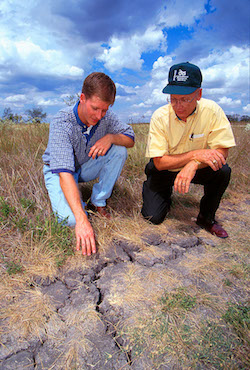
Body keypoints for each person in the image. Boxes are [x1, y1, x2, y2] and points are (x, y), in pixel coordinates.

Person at [43, 72, 135, 256]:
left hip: (85, 166)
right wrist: (82, 219)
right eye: (95, 108)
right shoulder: (62, 122)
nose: (100, 115)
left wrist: (111, 137)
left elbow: (130, 139)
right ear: (82, 98)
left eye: (105, 110)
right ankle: (80, 209)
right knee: (70, 220)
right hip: (59, 171)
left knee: (119, 150)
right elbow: (65, 174)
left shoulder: (106, 117)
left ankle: (98, 201)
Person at [141, 62, 236, 238]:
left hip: (196, 169)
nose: (179, 105)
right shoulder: (160, 116)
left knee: (222, 170)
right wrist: (195, 154)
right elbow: (159, 162)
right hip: (164, 169)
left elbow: (222, 152)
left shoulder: (212, 111)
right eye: (173, 99)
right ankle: (162, 195)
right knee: (152, 217)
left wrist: (193, 164)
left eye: (185, 99)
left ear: (199, 94)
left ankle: (206, 218)